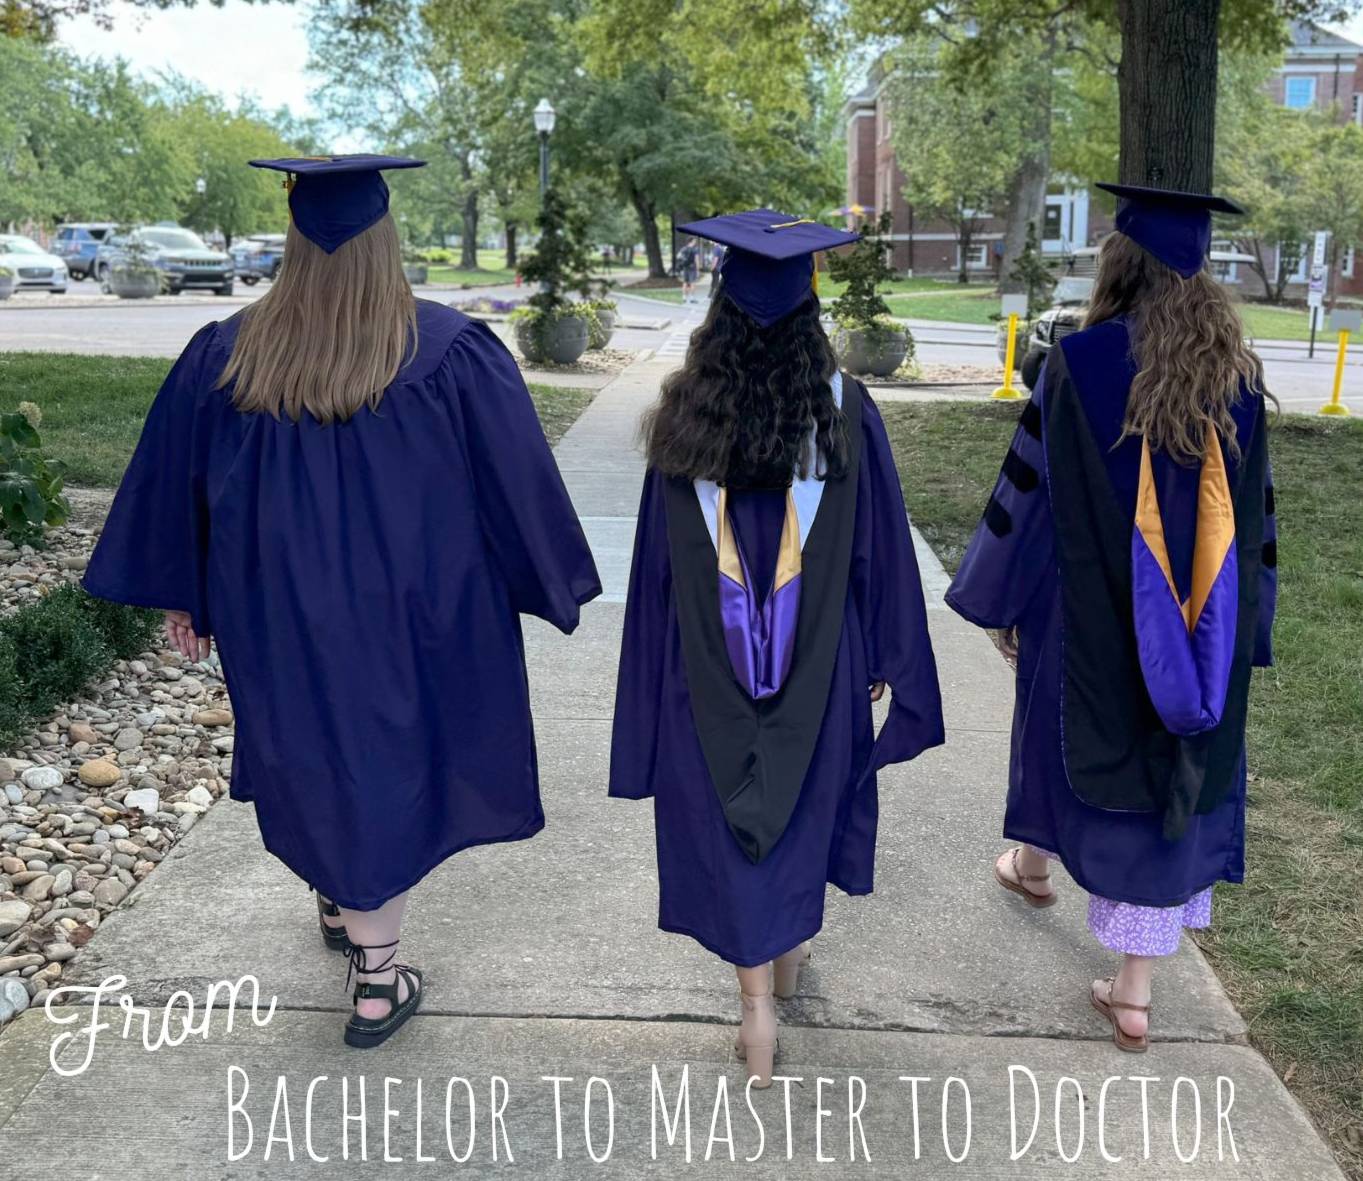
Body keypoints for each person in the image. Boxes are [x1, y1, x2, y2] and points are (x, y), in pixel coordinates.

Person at [84, 154, 601, 1049]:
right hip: (417, 607)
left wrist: (186, 591)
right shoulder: (449, 351)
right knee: (388, 759)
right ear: (386, 241)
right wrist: (541, 578)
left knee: (314, 745)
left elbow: (181, 486)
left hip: (274, 606)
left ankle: (341, 891)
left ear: (295, 241)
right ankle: (375, 977)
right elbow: (515, 484)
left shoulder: (230, 350)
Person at [610, 209, 945, 1088]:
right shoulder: (846, 412)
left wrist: (646, 686)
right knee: (795, 809)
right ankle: (786, 960)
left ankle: (753, 1009)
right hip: (821, 664)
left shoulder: (683, 419)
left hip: (701, 676)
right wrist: (884, 658)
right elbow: (879, 548)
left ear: (718, 306)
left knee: (728, 818)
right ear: (809, 309)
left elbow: (652, 574)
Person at [946, 184, 1277, 1053]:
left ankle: (1033, 860)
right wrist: (1250, 631)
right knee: (1168, 752)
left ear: (1119, 261)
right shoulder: (1239, 380)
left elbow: (1031, 494)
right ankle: (1131, 988)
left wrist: (1001, 599)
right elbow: (1255, 527)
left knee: (1066, 734)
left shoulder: (1078, 361)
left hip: (1084, 608)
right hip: (1202, 624)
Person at [676, 235, 700, 304]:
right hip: (692, 268)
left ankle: (684, 298)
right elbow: (697, 260)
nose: (695, 242)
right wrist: (698, 270)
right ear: (692, 241)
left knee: (685, 283)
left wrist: (683, 261)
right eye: (694, 241)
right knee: (692, 283)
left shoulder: (684, 248)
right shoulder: (695, 250)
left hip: (685, 267)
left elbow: (678, 256)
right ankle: (692, 298)